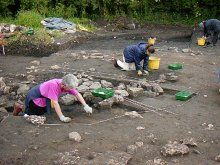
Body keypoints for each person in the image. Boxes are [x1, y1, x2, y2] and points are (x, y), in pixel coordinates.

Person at [13, 74, 92, 123]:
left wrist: (85, 106)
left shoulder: (66, 84)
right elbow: (55, 103)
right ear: (63, 85)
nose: (71, 89)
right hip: (35, 97)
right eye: (70, 88)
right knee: (36, 114)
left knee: (45, 112)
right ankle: (20, 108)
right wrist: (62, 117)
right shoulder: (54, 85)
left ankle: (24, 109)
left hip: (44, 97)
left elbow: (77, 94)